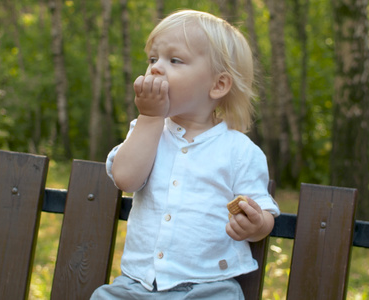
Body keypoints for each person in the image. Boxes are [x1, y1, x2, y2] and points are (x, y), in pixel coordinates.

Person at [92, 9, 280, 300]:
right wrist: (151, 118)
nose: (156, 68)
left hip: (209, 287)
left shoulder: (238, 150)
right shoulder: (145, 130)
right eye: (153, 59)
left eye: (174, 60)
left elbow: (263, 213)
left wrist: (256, 224)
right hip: (137, 285)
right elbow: (126, 179)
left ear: (218, 85)